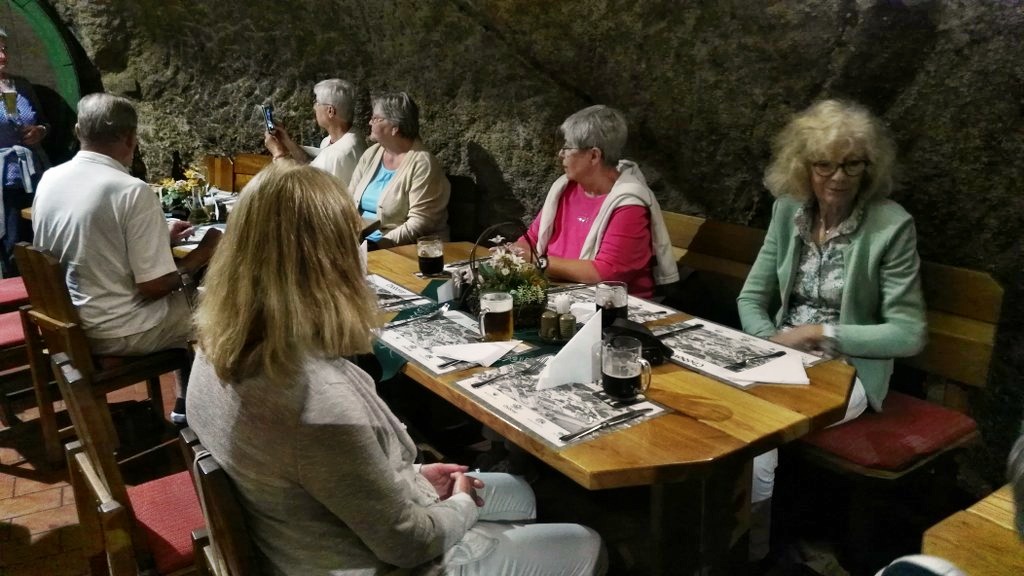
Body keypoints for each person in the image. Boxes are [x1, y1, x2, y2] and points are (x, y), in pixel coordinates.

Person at [187, 162, 605, 576]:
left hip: (302, 528)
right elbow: (410, 544)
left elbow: (318, 469)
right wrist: (461, 505)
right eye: (353, 242)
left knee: (520, 493)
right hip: (364, 562)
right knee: (586, 545)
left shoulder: (215, 345)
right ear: (331, 264)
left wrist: (412, 476)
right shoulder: (318, 399)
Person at [736, 99, 927, 561]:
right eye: (824, 165)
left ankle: (753, 554)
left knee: (758, 432)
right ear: (803, 167)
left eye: (851, 164)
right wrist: (770, 343)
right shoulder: (787, 211)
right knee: (718, 410)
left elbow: (908, 333)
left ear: (869, 166)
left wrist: (820, 332)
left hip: (849, 370)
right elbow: (750, 298)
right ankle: (724, 536)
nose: (838, 177)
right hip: (780, 355)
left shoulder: (891, 225)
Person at [32, 93, 220, 425]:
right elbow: (154, 287)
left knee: (188, 301)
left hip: (70, 322)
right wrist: (203, 253)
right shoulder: (130, 190)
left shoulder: (51, 178)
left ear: (78, 132)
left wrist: (158, 237)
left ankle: (184, 404)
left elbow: (87, 243)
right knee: (225, 307)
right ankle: (214, 418)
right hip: (120, 328)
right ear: (130, 138)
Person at [516, 105, 677, 298]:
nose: (561, 154)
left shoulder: (629, 204)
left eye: (567, 148)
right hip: (561, 291)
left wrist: (539, 262)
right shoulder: (564, 188)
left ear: (593, 156)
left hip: (613, 304)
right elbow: (531, 238)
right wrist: (515, 253)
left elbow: (605, 272)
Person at [348, 91, 450, 248]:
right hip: (361, 242)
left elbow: (421, 222)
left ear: (395, 127)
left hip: (400, 248)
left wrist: (377, 244)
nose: (369, 122)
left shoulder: (422, 163)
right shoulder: (372, 153)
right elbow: (349, 199)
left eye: (376, 118)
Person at [0, 27, 50, 276]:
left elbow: (43, 122)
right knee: (11, 243)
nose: (3, 55)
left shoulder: (21, 86)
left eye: (4, 49)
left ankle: (44, 292)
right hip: (2, 181)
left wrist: (40, 131)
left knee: (39, 240)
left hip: (32, 175)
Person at [264, 78, 364, 187]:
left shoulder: (336, 155)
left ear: (330, 111)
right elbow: (312, 163)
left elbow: (302, 189)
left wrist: (278, 153)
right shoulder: (353, 135)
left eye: (317, 103)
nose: (314, 107)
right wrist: (286, 140)